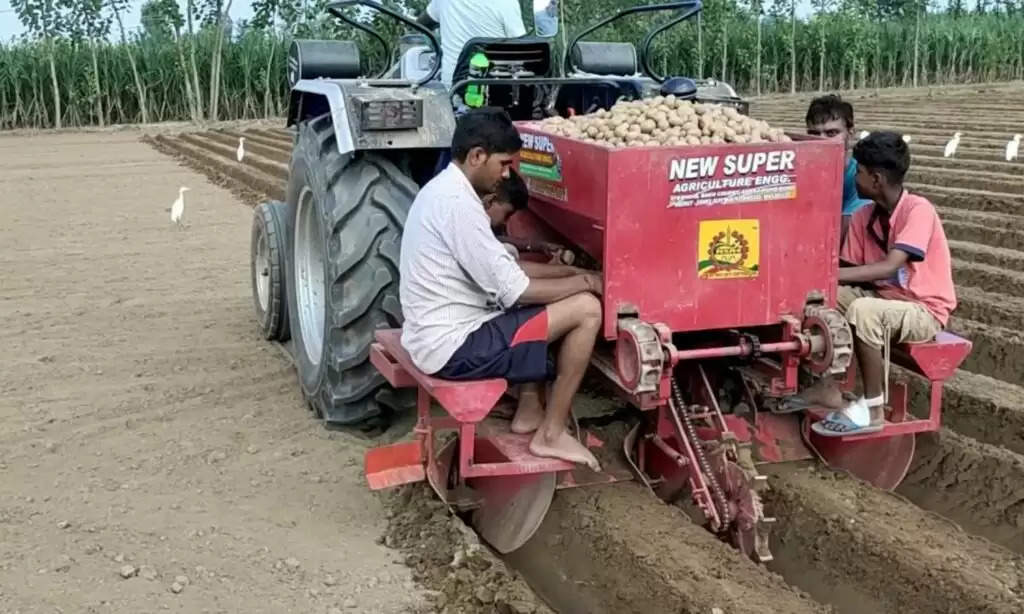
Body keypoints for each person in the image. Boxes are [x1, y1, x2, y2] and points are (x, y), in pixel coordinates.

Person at [399, 109, 604, 470]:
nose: (507, 174)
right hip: (454, 348)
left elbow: (506, 271)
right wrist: (589, 282)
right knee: (586, 309)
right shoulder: (458, 206)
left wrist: (569, 271)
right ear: (477, 156)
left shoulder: (446, 192)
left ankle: (529, 410)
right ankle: (551, 435)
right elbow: (516, 290)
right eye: (504, 164)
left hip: (435, 335)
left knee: (539, 308)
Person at [796, 131, 956, 436]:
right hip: (885, 298)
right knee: (819, 297)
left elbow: (889, 266)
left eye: (859, 171)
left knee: (864, 311)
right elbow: (848, 267)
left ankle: (873, 409)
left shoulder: (918, 211)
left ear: (877, 179)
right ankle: (826, 386)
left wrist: (828, 275)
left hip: (923, 310)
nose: (854, 177)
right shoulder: (865, 216)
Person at [805, 94, 873, 245]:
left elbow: (839, 239)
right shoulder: (798, 175)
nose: (821, 141)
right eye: (814, 134)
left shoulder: (860, 178)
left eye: (831, 133)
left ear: (850, 133)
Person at [416, 0, 527, 88]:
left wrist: (438, 45)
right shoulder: (507, 2)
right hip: (497, 87)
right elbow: (521, 47)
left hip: (453, 87)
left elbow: (421, 24)